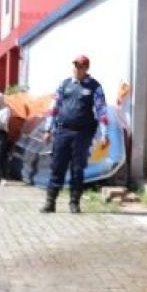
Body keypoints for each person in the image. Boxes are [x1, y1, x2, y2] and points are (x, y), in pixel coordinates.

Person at [41, 55, 109, 214]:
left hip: (82, 134)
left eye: (80, 67)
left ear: (86, 69)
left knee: (78, 169)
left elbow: (102, 111)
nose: (77, 69)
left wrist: (104, 134)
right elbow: (54, 107)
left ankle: (74, 203)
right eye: (75, 66)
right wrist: (47, 129)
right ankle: (50, 202)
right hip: (63, 131)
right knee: (57, 166)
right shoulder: (65, 84)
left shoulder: (94, 87)